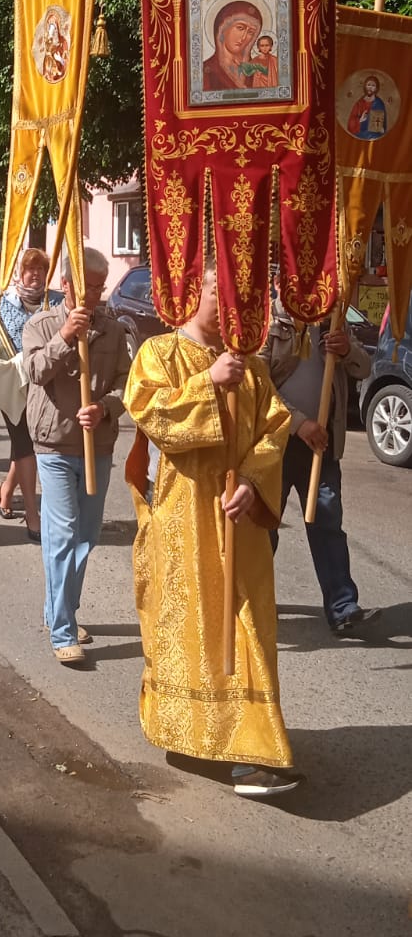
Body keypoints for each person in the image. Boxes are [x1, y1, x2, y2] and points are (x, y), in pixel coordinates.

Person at [124, 260, 299, 800]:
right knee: (190, 627)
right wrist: (206, 382)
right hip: (183, 519)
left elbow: (276, 426)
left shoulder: (252, 365)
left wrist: (252, 478)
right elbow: (150, 415)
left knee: (249, 622)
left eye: (236, 301)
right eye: (217, 295)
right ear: (191, 296)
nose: (228, 310)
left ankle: (253, 743)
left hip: (237, 518)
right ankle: (200, 737)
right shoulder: (160, 353)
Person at [22, 247, 131, 665]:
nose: (95, 296)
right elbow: (34, 372)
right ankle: (64, 630)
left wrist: (105, 407)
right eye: (88, 286)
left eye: (101, 287)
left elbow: (128, 383)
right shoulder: (42, 324)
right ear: (65, 284)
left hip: (96, 443)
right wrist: (65, 336)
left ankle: (58, 609)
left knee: (87, 535)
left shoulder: (113, 330)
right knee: (63, 536)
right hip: (53, 444)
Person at [260, 271, 380, 637]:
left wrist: (345, 351)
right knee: (264, 527)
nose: (305, 292)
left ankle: (343, 607)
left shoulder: (332, 321)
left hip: (322, 446)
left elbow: (365, 368)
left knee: (327, 523)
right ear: (280, 283)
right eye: (296, 283)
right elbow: (259, 389)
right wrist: (299, 424)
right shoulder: (265, 325)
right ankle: (253, 600)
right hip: (276, 444)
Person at [0, 247, 61, 540]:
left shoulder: (56, 301)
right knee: (23, 442)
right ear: (19, 272)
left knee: (32, 442)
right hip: (13, 385)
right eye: (29, 269)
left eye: (41, 269)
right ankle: (33, 514)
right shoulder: (1, 301)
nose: (35, 274)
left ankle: (6, 490)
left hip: (48, 385)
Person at [202, 0, 264, 92]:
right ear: (223, 28)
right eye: (240, 28)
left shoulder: (256, 70)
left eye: (250, 32)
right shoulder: (206, 71)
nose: (243, 37)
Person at [347, 74, 388, 140]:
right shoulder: (359, 103)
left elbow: (383, 124)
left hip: (375, 135)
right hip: (360, 134)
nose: (370, 88)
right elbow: (350, 123)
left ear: (376, 88)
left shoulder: (379, 103)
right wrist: (360, 120)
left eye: (373, 85)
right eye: (368, 85)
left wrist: (381, 128)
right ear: (365, 86)